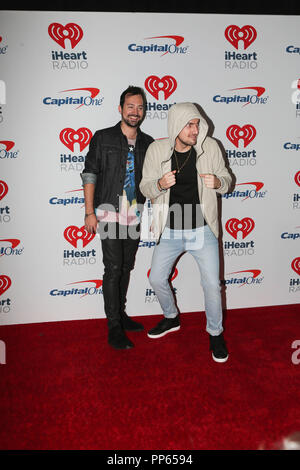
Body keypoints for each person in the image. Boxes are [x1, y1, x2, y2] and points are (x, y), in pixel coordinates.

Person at [140, 102, 232, 363]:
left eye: (197, 124)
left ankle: (215, 333)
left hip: (202, 228)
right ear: (176, 126)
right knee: (157, 278)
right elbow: (146, 187)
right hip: (169, 228)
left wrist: (218, 182)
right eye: (189, 125)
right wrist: (159, 184)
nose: (195, 130)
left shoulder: (210, 147)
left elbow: (227, 180)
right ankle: (171, 318)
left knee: (212, 285)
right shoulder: (157, 150)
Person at [81, 86, 154, 350]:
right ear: (120, 108)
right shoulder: (103, 138)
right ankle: (113, 326)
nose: (135, 112)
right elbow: (90, 174)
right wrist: (89, 212)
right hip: (108, 212)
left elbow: (152, 183)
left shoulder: (149, 143)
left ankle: (120, 314)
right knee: (113, 268)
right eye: (130, 106)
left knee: (126, 267)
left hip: (135, 214)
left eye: (140, 107)